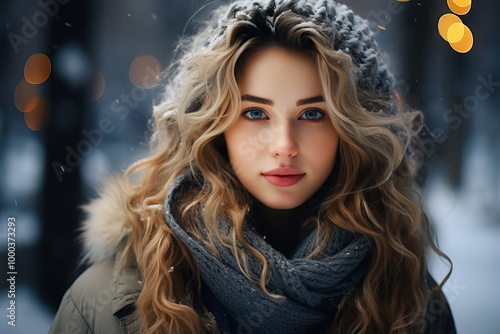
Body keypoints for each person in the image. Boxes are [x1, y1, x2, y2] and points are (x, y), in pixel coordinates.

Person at [49, 0, 456, 333]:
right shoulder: (103, 304)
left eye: (313, 115)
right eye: (256, 114)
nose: (284, 146)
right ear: (212, 125)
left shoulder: (411, 302)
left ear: (354, 131)